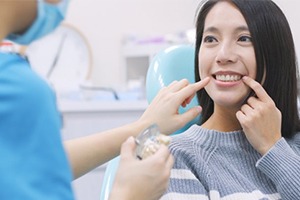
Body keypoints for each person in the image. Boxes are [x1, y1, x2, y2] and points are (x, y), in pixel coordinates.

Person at [0, 0, 210, 199]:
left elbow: (39, 162)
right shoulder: (19, 91)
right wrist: (128, 195)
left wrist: (144, 127)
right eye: (210, 39)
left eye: (243, 38)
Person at [161, 0, 300, 199]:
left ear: (276, 53)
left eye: (244, 38)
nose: (223, 55)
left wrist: (273, 148)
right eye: (210, 39)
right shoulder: (176, 156)